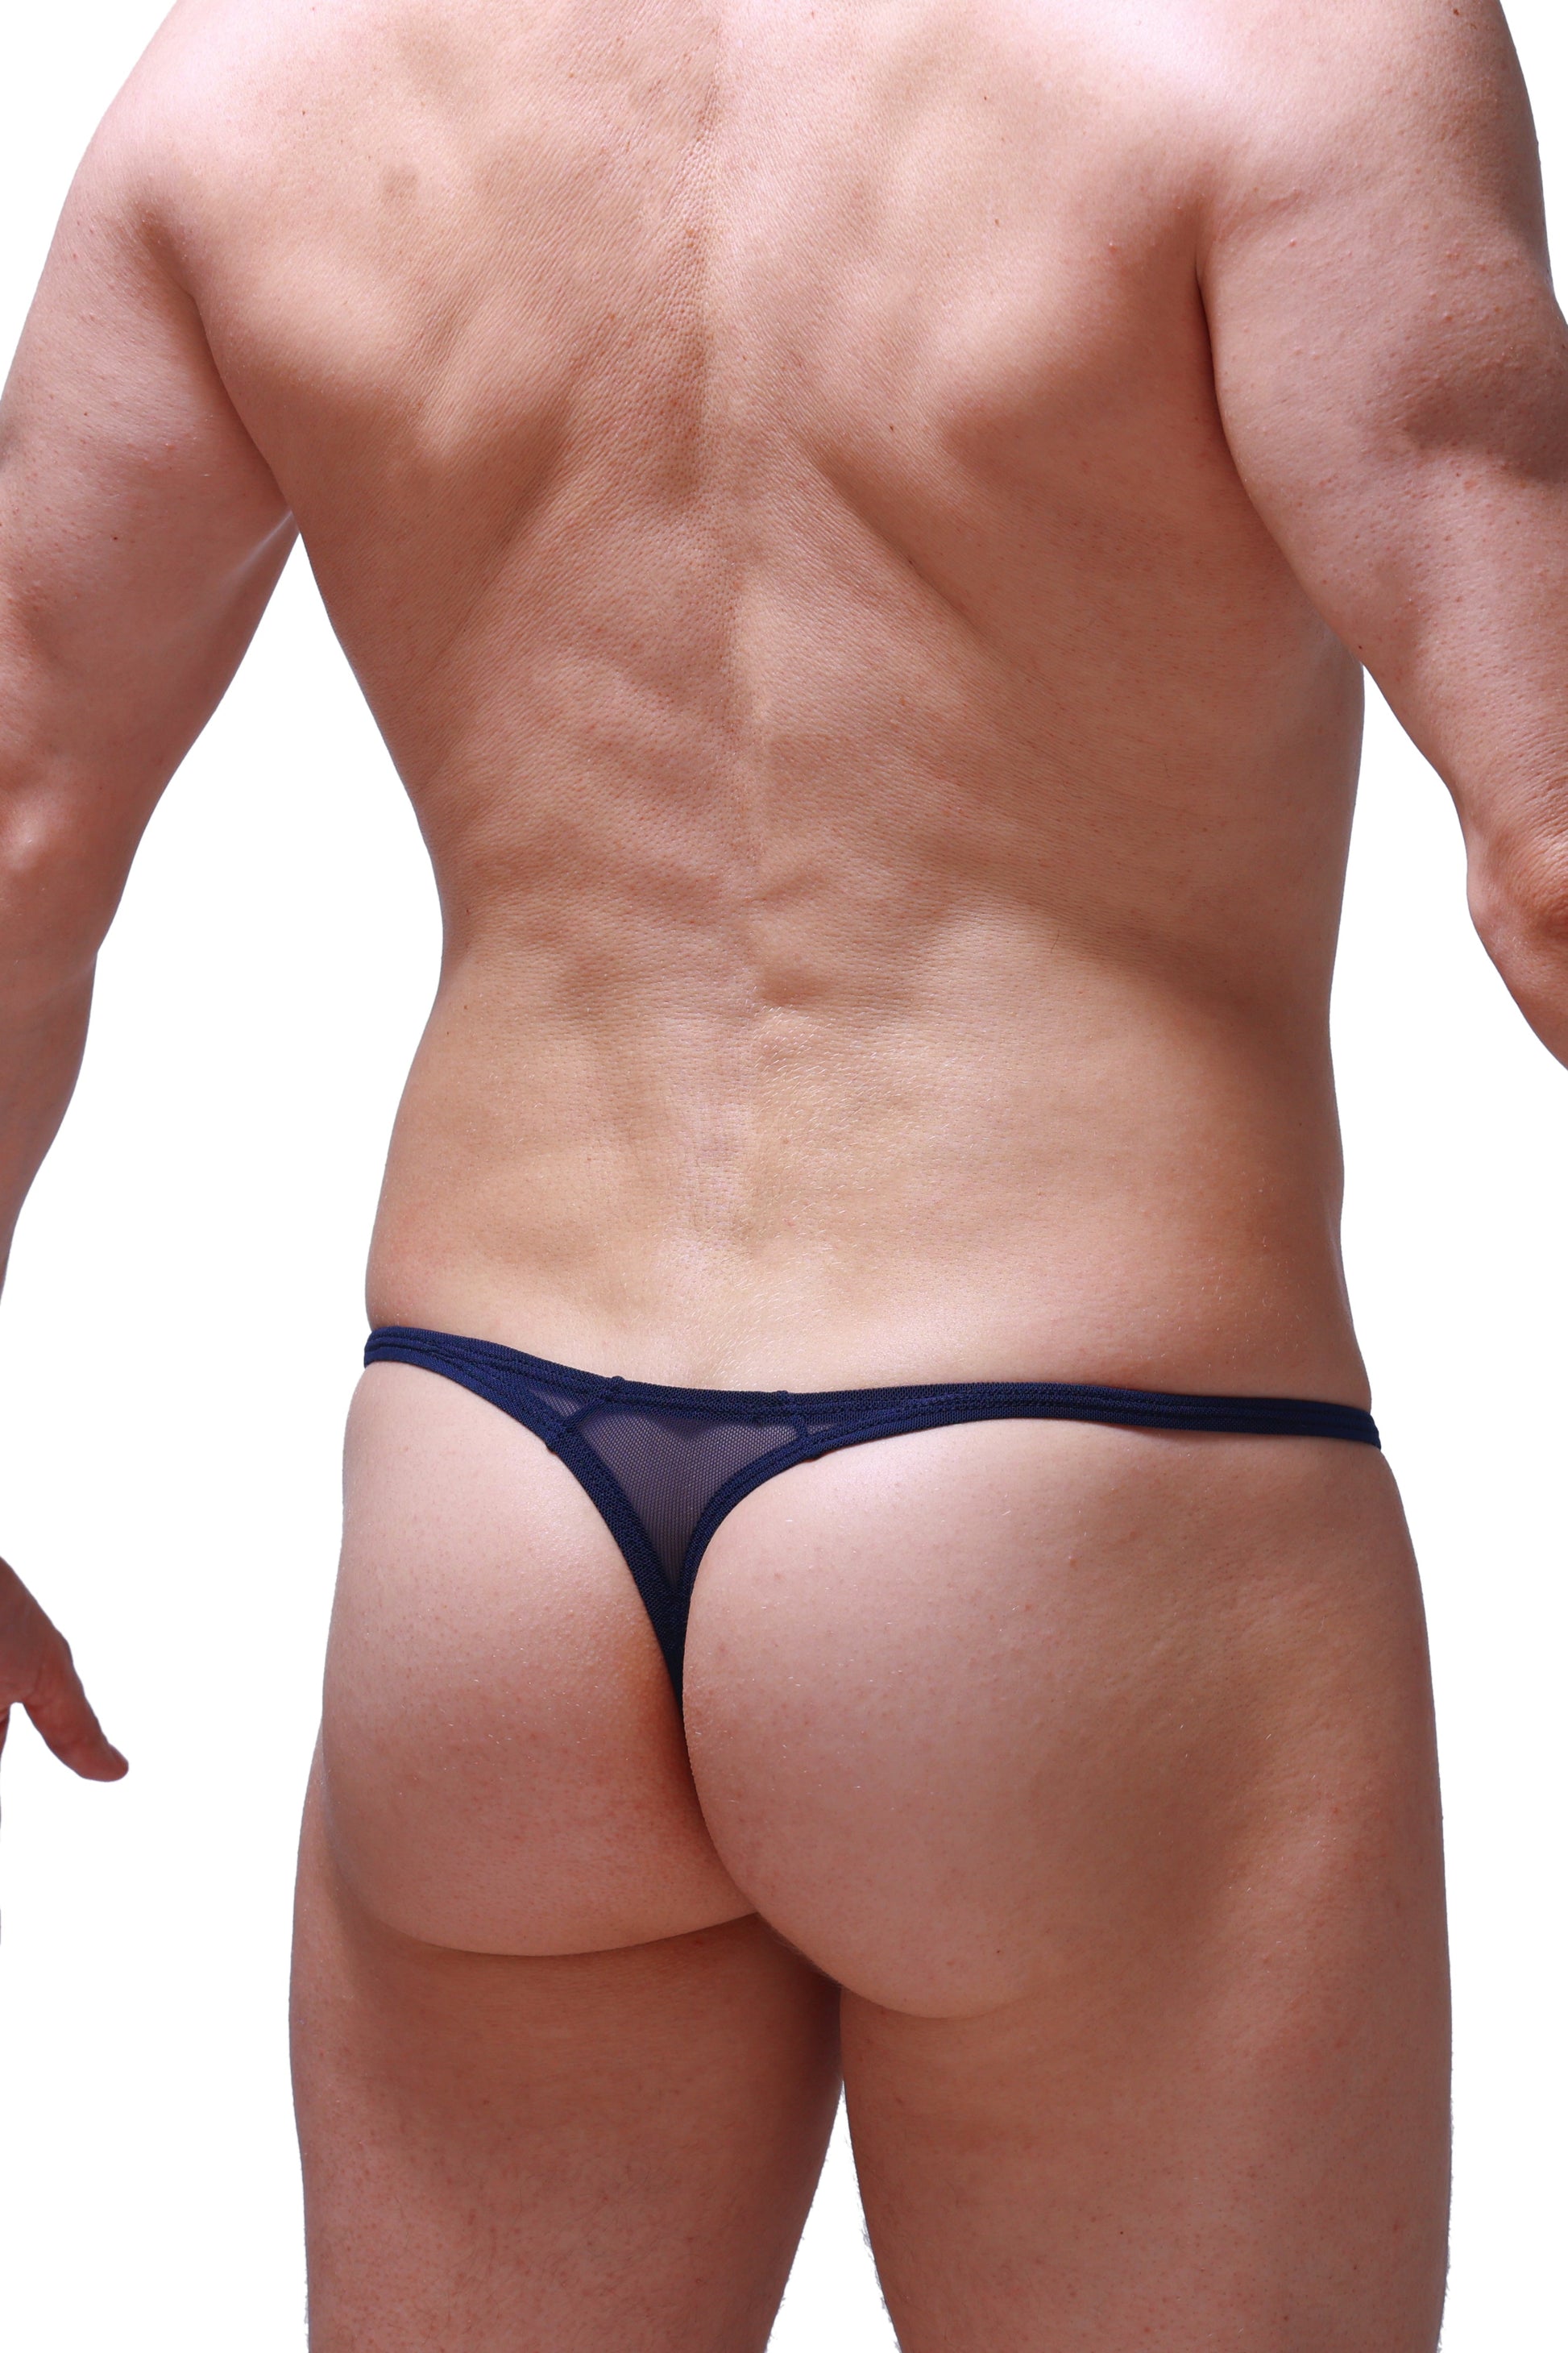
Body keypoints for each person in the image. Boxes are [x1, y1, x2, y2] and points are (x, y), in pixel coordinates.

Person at [2, 0, 1564, 2342]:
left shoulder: (248, 83)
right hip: (1083, 1493)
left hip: (487, 1510)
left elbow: (19, 823)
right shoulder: (1283, 49)